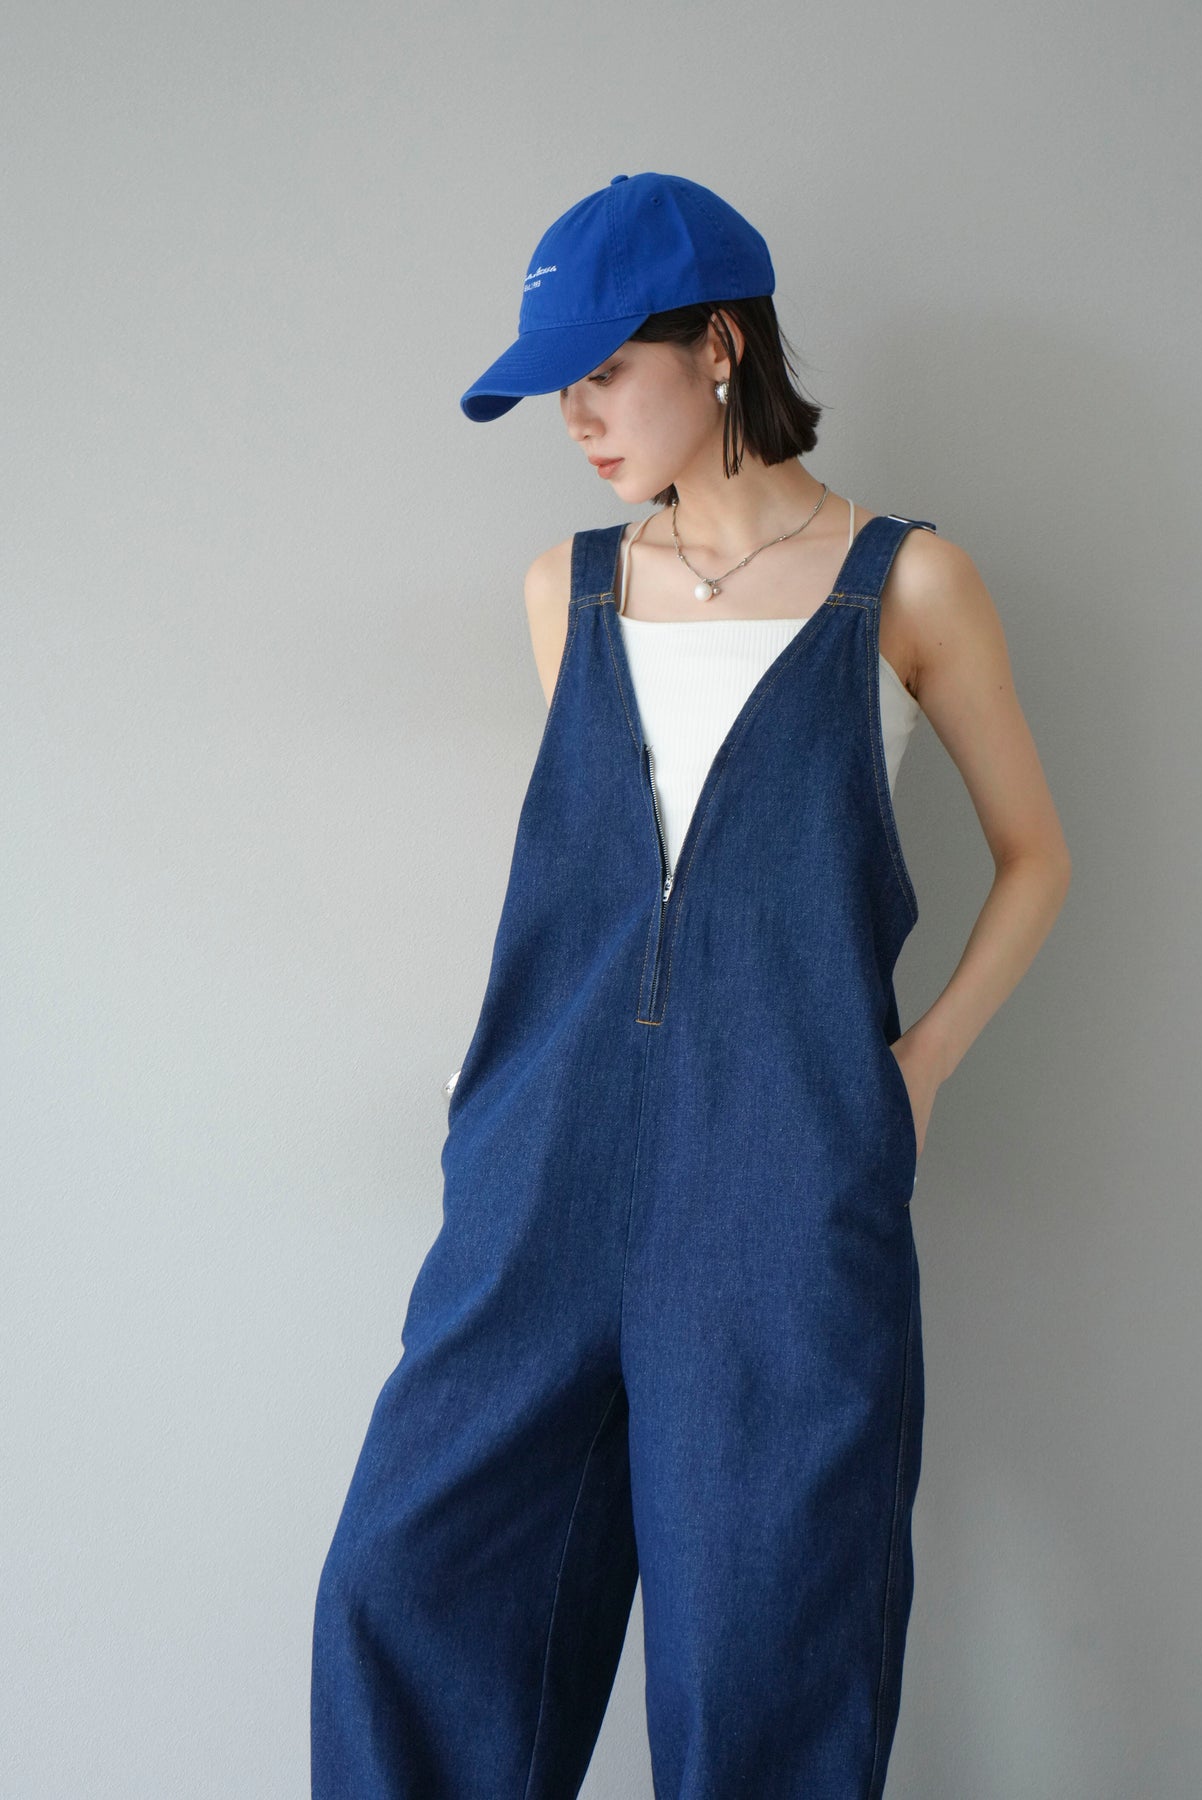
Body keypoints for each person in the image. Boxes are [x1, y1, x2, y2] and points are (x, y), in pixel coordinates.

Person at [311, 171, 1071, 1799]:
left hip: (781, 1179)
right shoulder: (568, 589)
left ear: (718, 345)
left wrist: (916, 1069)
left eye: (604, 372)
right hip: (537, 1171)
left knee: (759, 1657)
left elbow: (1036, 857)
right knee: (408, 1599)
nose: (577, 417)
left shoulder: (904, 585)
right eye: (557, 388)